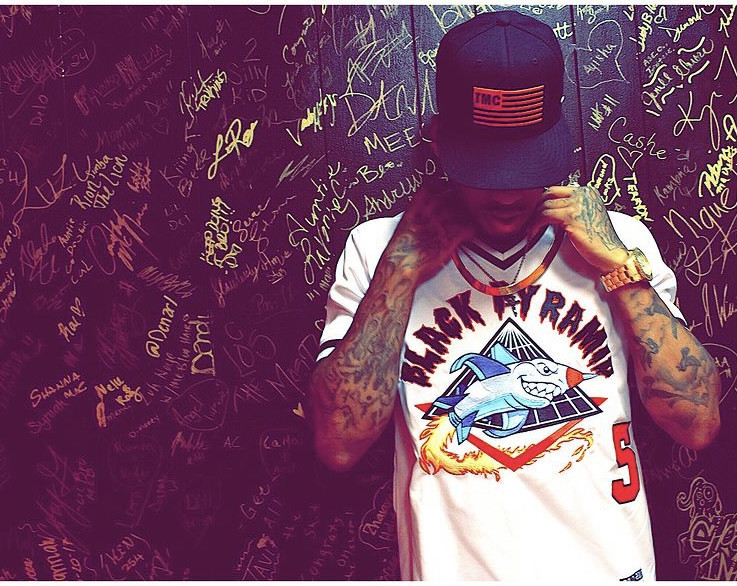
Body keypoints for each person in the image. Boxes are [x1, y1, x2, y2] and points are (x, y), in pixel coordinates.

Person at [306, 10, 721, 581]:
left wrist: (618, 268)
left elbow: (697, 422)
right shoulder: (376, 249)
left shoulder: (622, 244)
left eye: (524, 165)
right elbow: (338, 444)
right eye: (484, 167)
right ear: (439, 141)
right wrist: (400, 270)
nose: (505, 193)